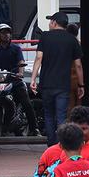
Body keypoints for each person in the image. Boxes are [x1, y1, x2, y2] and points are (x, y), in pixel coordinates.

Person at [31, 12, 83, 146]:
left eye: (50, 21)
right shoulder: (72, 40)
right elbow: (78, 64)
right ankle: (61, 145)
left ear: (54, 22)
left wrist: (33, 79)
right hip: (63, 85)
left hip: (46, 84)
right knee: (61, 116)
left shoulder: (45, 37)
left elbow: (38, 58)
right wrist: (81, 84)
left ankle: (50, 145)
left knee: (48, 115)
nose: (49, 24)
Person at [0, 23, 38, 135]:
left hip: (14, 80)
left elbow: (21, 62)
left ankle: (34, 128)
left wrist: (20, 73)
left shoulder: (16, 49)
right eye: (3, 33)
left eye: (8, 32)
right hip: (0, 81)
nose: (6, 35)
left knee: (26, 103)